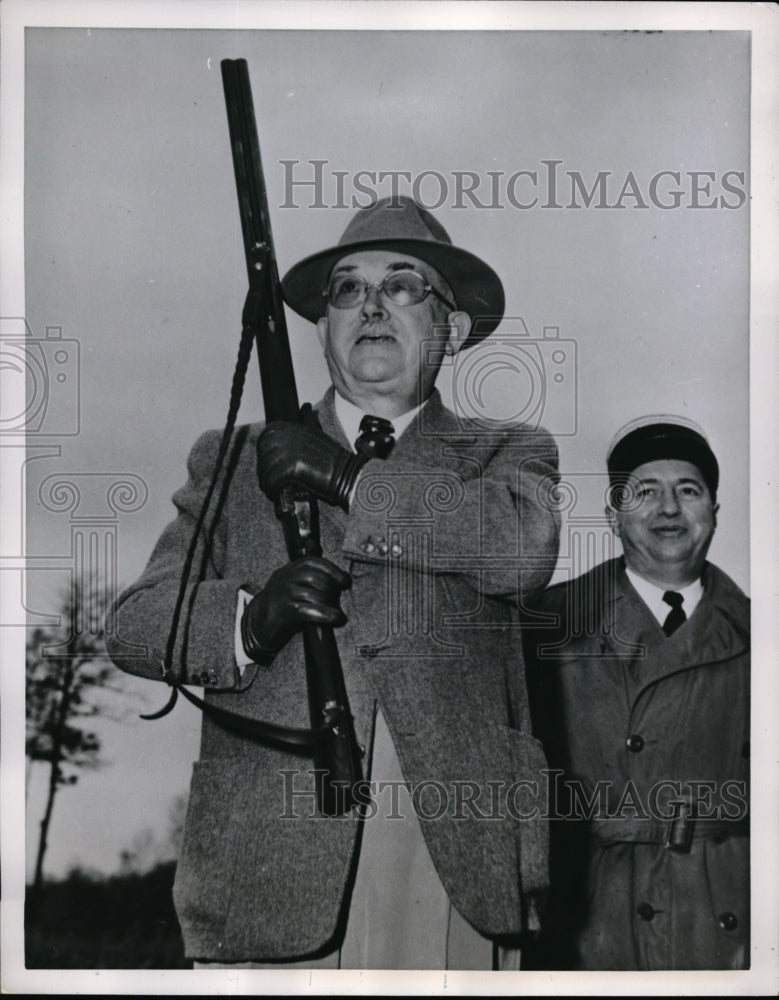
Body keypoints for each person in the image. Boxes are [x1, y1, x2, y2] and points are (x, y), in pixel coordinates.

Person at [107, 196, 561, 970]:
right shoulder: (231, 455)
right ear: (321, 329)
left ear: (450, 328)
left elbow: (519, 548)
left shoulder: (506, 451)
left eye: (403, 285)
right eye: (347, 289)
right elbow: (137, 624)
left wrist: (345, 479)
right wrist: (249, 622)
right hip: (269, 861)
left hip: (450, 856)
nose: (372, 304)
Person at [522, 415, 749, 971]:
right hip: (587, 912)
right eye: (644, 492)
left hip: (722, 914)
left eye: (688, 491)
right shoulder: (543, 624)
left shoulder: (758, 634)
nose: (668, 509)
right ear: (613, 516)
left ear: (714, 513)